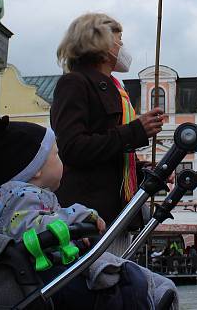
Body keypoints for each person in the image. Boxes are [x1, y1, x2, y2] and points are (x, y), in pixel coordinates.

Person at [0, 116, 178, 308]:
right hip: (40, 277)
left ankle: (152, 293)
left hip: (31, 275)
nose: (61, 161)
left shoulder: (6, 199)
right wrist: (79, 215)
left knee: (112, 271)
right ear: (37, 170)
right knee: (124, 281)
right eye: (56, 155)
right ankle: (149, 296)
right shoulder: (22, 196)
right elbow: (33, 230)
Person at [51, 13, 164, 255]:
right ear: (98, 42)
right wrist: (135, 131)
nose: (122, 46)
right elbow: (72, 147)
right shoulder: (75, 83)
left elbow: (108, 151)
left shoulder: (116, 89)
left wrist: (141, 169)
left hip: (116, 213)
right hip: (90, 215)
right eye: (118, 39)